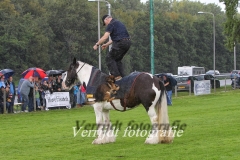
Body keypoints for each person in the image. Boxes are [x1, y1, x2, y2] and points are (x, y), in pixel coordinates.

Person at [93, 15, 131, 81]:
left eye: (105, 23)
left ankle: (117, 77)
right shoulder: (119, 23)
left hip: (120, 43)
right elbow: (117, 38)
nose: (106, 24)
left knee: (109, 58)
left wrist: (97, 44)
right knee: (117, 60)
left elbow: (105, 37)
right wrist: (106, 44)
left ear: (106, 19)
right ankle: (123, 78)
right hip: (127, 43)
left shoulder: (111, 24)